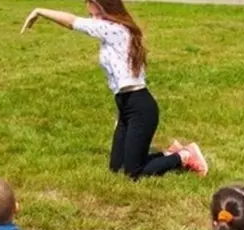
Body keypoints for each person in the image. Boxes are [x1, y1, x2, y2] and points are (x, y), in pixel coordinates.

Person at [20, 0, 208, 179]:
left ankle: (184, 156)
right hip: (126, 106)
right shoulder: (115, 33)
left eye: (93, 15)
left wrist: (40, 11)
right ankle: (169, 153)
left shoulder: (115, 30)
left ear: (102, 7)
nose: (92, 20)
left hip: (141, 108)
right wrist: (120, 115)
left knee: (133, 173)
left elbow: (73, 22)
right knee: (117, 169)